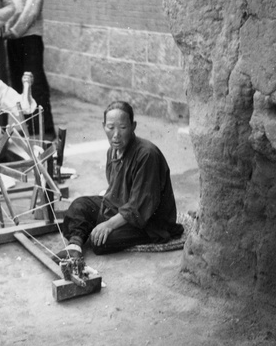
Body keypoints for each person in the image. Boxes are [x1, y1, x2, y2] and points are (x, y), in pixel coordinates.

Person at [55, 101, 184, 260]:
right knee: (79, 205)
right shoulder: (112, 151)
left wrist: (108, 224)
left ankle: (92, 234)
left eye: (122, 128)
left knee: (100, 243)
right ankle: (75, 245)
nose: (116, 135)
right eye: (110, 128)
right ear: (104, 126)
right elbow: (115, 191)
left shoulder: (147, 155)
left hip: (149, 220)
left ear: (133, 126)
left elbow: (140, 206)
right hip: (123, 208)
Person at [4, 0, 55, 139]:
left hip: (30, 38)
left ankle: (46, 129)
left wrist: (15, 30)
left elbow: (32, 9)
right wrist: (7, 30)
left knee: (35, 82)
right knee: (19, 84)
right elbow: (10, 8)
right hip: (13, 38)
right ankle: (29, 127)